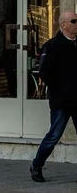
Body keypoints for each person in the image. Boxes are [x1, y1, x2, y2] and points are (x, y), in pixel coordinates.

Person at [30, 11, 77, 183]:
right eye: (74, 21)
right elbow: (44, 72)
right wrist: (62, 88)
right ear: (63, 24)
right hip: (61, 101)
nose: (76, 24)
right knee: (54, 135)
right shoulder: (52, 46)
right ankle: (36, 165)